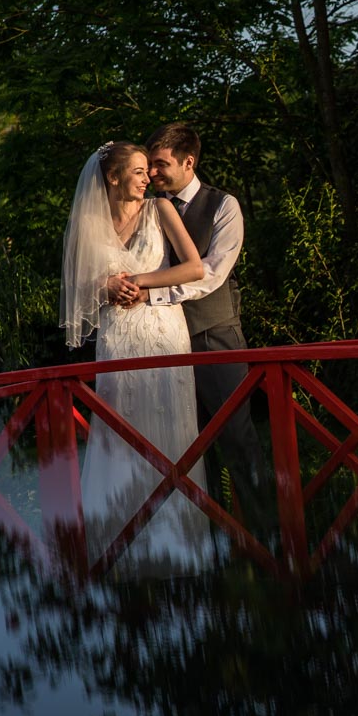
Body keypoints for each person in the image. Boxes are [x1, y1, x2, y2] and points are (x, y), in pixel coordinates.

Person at [61, 140, 217, 577]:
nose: (148, 176)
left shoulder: (160, 210)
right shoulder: (88, 221)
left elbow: (194, 268)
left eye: (149, 169)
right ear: (112, 177)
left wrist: (140, 282)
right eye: (138, 170)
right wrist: (106, 289)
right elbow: (78, 290)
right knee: (120, 429)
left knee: (172, 426)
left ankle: (179, 546)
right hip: (117, 337)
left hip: (163, 330)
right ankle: (118, 546)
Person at [112, 122, 269, 539]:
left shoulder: (224, 205)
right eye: (150, 165)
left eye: (161, 164)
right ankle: (212, 540)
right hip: (166, 342)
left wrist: (150, 295)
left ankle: (265, 539)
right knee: (189, 448)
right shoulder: (148, 207)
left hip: (215, 337)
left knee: (237, 438)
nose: (154, 173)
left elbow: (214, 273)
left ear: (188, 161)